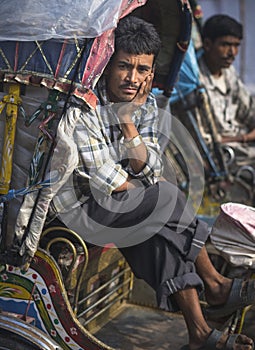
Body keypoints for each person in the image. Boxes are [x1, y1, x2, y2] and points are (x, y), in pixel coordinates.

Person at [46, 16, 255, 349]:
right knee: (164, 196)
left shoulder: (148, 105)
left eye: (143, 70)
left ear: (151, 73)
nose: (133, 79)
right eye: (124, 67)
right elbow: (108, 183)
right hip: (81, 211)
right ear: (108, 65)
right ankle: (214, 284)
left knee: (159, 235)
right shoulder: (86, 107)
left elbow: (150, 168)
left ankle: (198, 331)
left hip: (122, 210)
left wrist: (128, 123)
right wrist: (140, 173)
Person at [198, 14, 255, 171]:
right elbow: (203, 140)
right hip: (222, 153)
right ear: (208, 44)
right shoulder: (195, 82)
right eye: (225, 45)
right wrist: (243, 138)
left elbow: (249, 110)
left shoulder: (229, 73)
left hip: (241, 144)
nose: (232, 52)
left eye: (236, 46)